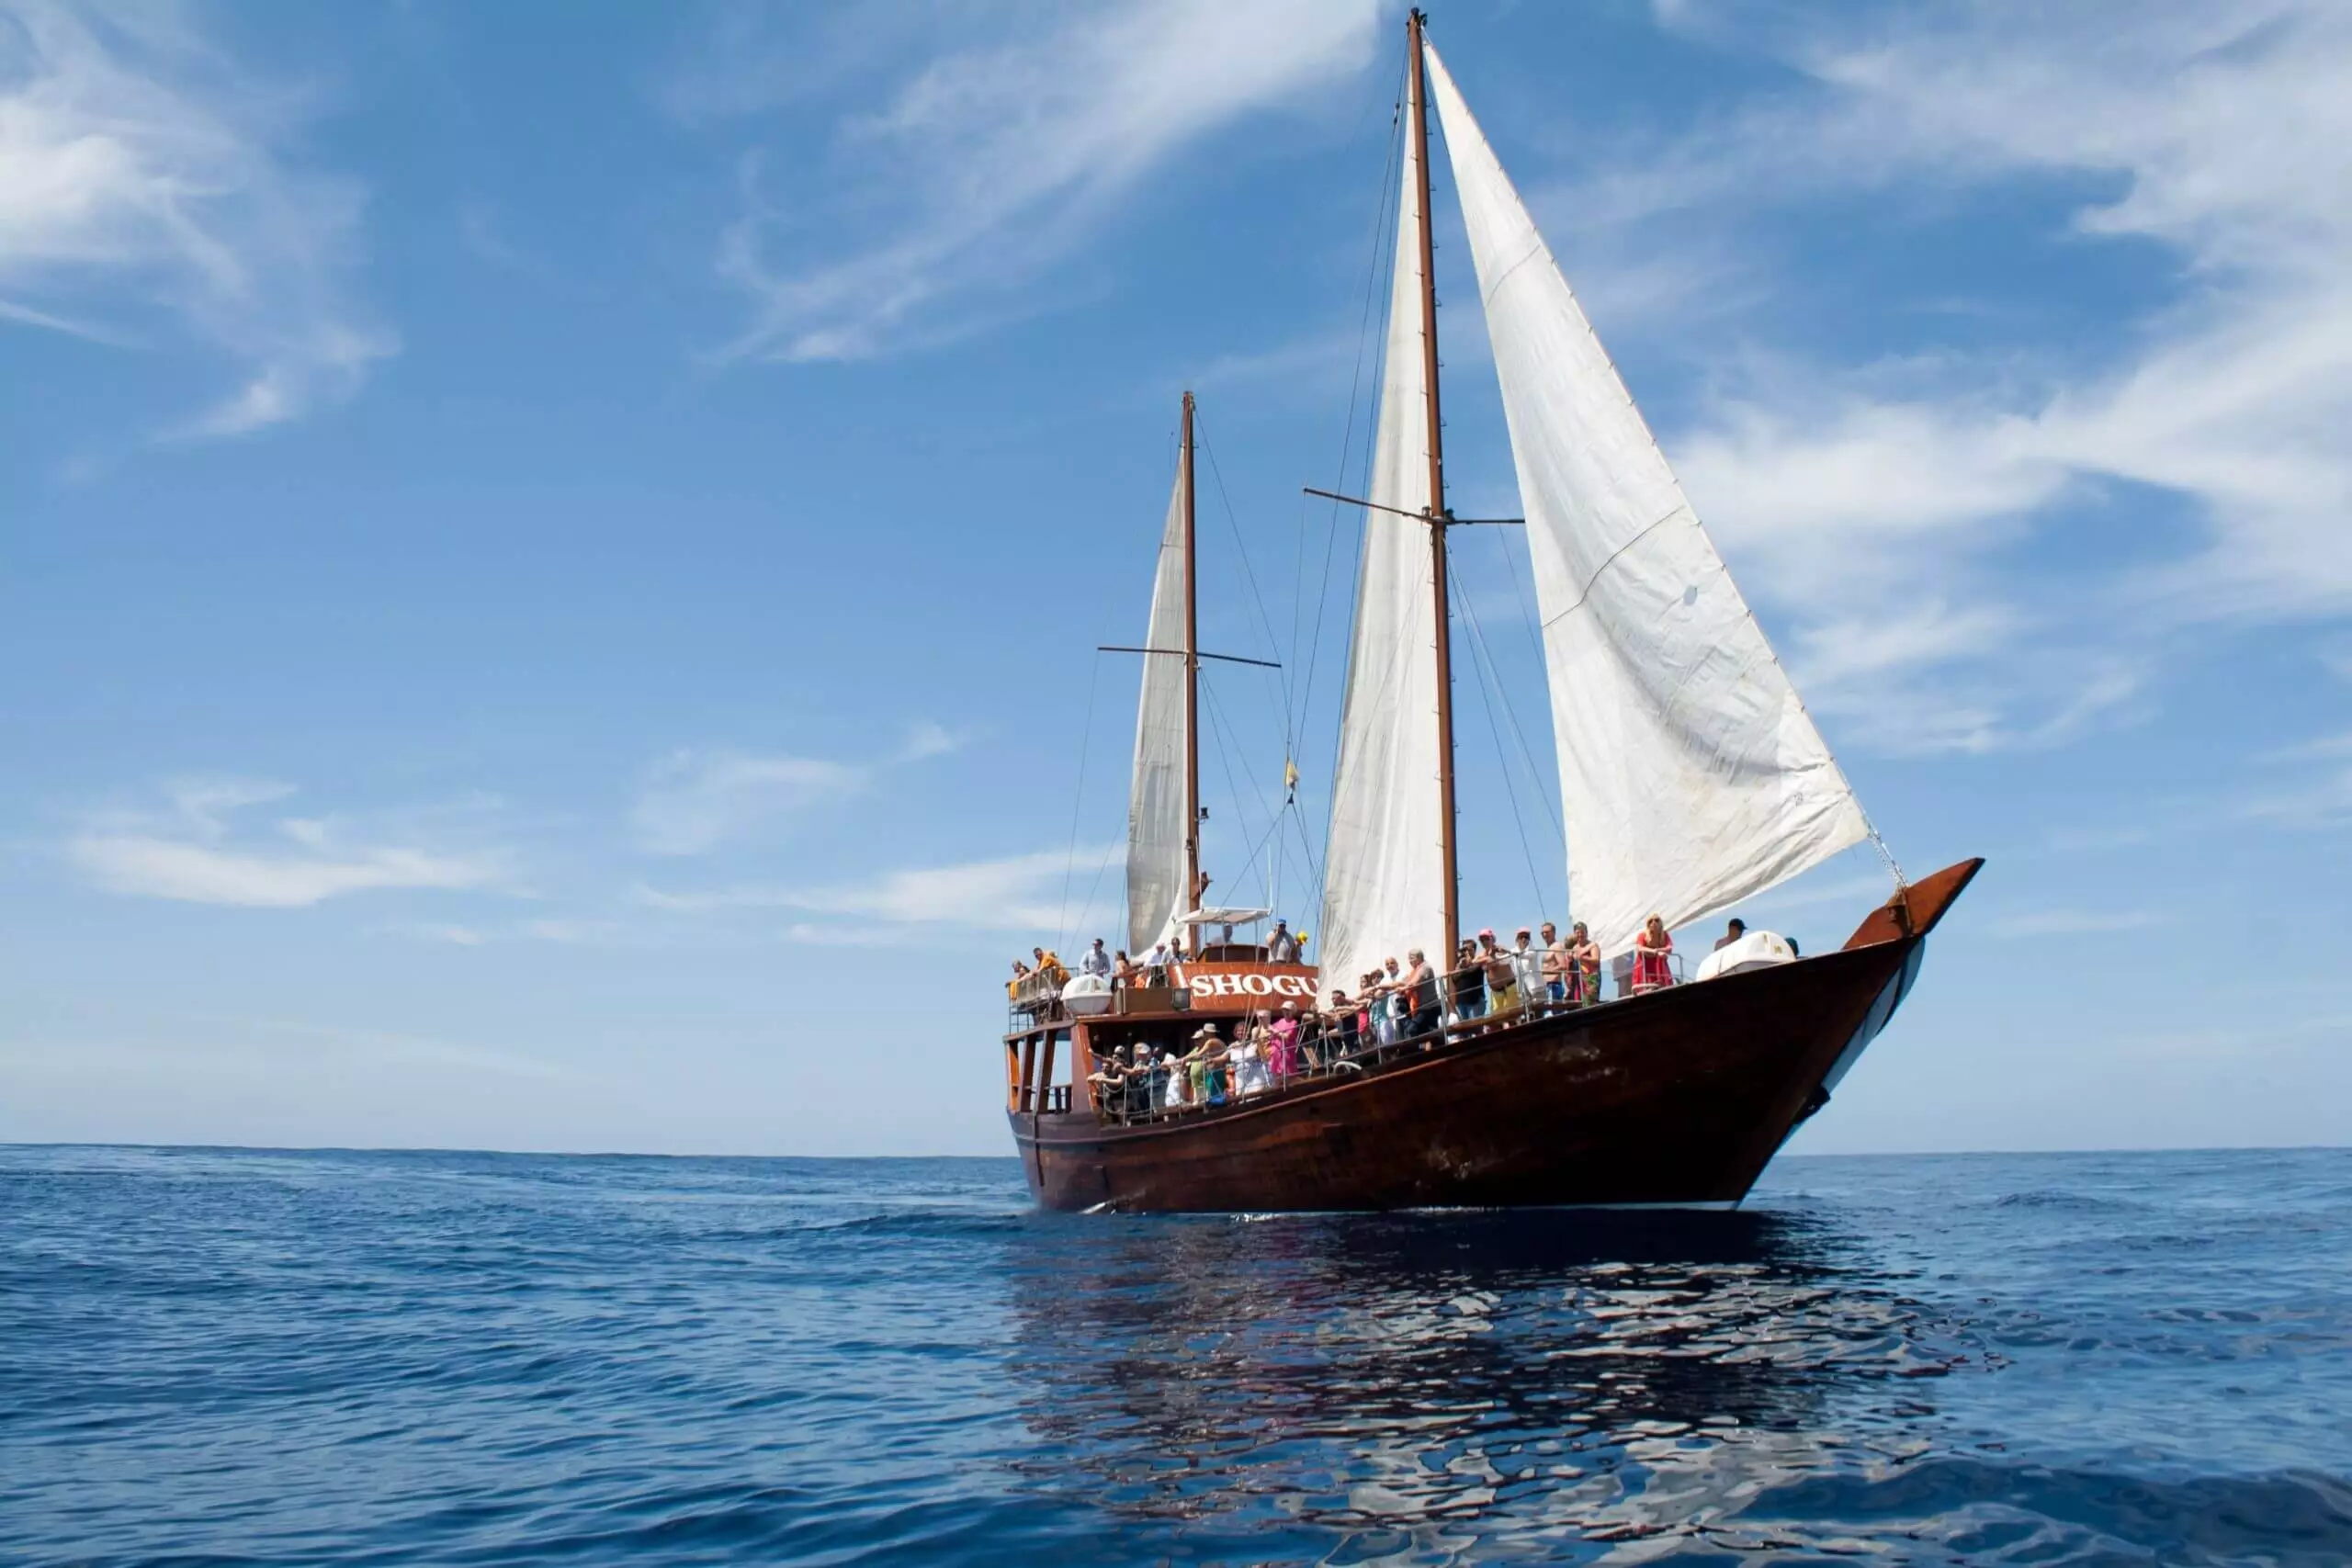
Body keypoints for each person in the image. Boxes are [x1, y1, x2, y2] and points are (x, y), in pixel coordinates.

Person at [1406, 948, 1442, 1039]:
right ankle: (1430, 1049)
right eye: (1409, 958)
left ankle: (1438, 1045)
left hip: (1430, 1006)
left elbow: (1413, 983)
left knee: (1412, 1029)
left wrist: (1403, 987)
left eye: (1412, 958)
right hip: (1423, 1007)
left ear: (1419, 958)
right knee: (1425, 1032)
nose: (1410, 961)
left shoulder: (1425, 967)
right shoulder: (1415, 971)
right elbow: (1405, 982)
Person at [1633, 913, 1674, 993]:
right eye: (1650, 921)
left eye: (1656, 920)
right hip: (1645, 966)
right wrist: (1655, 952)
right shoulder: (1642, 935)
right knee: (1645, 988)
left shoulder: (1664, 934)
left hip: (1659, 965)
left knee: (1662, 987)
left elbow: (1669, 948)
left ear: (1660, 922)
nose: (1653, 923)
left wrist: (1658, 951)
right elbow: (1640, 948)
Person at [1453, 939, 1487, 1021]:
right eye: (1464, 949)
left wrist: (1467, 963)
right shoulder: (1460, 964)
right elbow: (1454, 978)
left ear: (1473, 950)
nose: (1465, 952)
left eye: (1467, 949)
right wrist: (1461, 966)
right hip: (1461, 1001)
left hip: (1475, 1000)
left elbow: (1472, 969)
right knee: (1464, 1031)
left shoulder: (1478, 960)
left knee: (1476, 1030)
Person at [1569, 921, 1601, 1004]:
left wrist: (1582, 957)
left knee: (1590, 1003)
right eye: (1577, 933)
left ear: (1586, 933)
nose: (1580, 935)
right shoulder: (1574, 947)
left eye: (1582, 932)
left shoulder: (1593, 945)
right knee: (1579, 1004)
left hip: (1591, 978)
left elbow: (1596, 960)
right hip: (1578, 980)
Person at [1540, 922, 1567, 1002]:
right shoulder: (1549, 948)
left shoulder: (1557, 946)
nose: (1544, 934)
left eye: (1547, 932)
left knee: (1552, 1013)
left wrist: (1547, 971)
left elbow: (1563, 966)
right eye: (1542, 933)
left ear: (1554, 932)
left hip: (1554, 986)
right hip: (1547, 986)